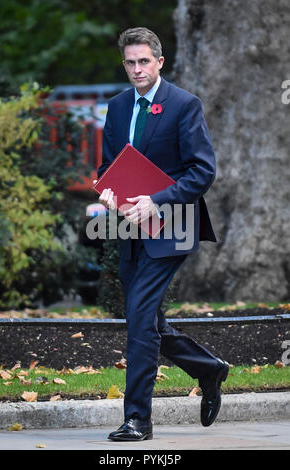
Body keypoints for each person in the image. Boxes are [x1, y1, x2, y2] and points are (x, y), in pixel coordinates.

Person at [95, 27, 229, 441]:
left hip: (172, 226)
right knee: (147, 319)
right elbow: (106, 168)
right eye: (130, 63)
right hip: (129, 227)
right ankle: (210, 369)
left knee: (138, 318)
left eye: (144, 62)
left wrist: (159, 201)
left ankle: (138, 419)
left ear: (159, 62)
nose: (137, 69)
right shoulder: (117, 107)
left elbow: (202, 170)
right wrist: (109, 194)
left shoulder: (184, 105)